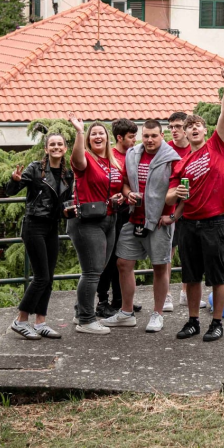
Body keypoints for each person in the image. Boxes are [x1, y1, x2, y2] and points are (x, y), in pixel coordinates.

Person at [166, 67, 224, 342]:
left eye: (198, 126)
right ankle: (193, 321)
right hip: (188, 224)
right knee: (191, 275)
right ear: (183, 133)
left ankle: (216, 323)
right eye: (189, 127)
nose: (193, 129)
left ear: (205, 130)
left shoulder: (216, 145)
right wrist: (176, 196)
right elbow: (169, 196)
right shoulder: (181, 163)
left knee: (218, 275)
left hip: (215, 221)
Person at [110, 120, 182, 333]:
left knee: (159, 267)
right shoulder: (132, 154)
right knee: (123, 262)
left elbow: (177, 191)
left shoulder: (172, 159)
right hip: (134, 218)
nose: (150, 140)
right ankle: (126, 312)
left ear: (162, 136)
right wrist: (128, 193)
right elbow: (124, 182)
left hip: (159, 221)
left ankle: (158, 314)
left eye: (154, 136)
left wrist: (173, 214)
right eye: (146, 136)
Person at [5, 131, 74, 340]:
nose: (56, 147)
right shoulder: (35, 168)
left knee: (49, 277)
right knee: (41, 276)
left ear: (65, 148)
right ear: (46, 149)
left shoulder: (67, 174)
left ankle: (41, 321)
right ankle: (20, 320)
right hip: (34, 225)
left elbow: (65, 202)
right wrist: (14, 180)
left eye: (59, 144)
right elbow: (11, 191)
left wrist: (67, 211)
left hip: (52, 227)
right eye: (52, 144)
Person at [67, 117, 124, 335]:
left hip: (110, 218)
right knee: (91, 271)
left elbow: (115, 187)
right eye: (94, 134)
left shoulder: (113, 162)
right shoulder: (86, 160)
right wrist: (80, 132)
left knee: (97, 270)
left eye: (101, 133)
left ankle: (79, 312)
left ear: (108, 138)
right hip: (86, 221)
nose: (98, 136)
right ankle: (86, 320)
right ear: (89, 140)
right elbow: (77, 158)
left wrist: (118, 197)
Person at [96, 119, 138, 319]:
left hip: (127, 212)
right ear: (119, 138)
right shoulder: (110, 156)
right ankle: (102, 301)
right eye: (131, 137)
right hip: (112, 212)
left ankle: (121, 300)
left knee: (124, 257)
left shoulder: (132, 155)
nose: (134, 140)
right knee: (109, 259)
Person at [168, 111, 207, 313]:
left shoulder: (198, 149)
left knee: (188, 257)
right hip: (172, 208)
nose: (174, 131)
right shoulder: (167, 149)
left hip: (194, 212)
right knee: (168, 253)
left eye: (178, 127)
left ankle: (185, 293)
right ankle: (166, 295)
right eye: (171, 127)